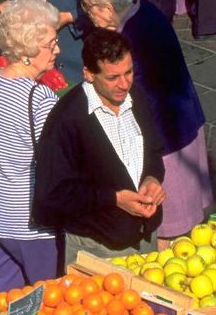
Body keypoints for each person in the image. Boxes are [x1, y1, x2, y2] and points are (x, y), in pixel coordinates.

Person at [81, 0, 210, 238]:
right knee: (191, 212)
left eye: (88, 6)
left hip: (166, 136)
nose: (87, 14)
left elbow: (130, 94)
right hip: (184, 118)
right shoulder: (146, 10)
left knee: (169, 228)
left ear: (105, 8)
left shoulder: (128, 41)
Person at [32, 28, 165, 259]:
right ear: (89, 74)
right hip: (95, 248)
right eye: (113, 77)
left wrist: (153, 178)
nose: (124, 84)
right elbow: (52, 194)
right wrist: (114, 199)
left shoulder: (137, 97)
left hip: (145, 239)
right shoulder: (67, 119)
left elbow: (153, 152)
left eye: (129, 72)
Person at [0, 0, 63, 301]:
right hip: (29, 223)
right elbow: (58, 160)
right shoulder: (39, 100)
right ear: (27, 49)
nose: (57, 51)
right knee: (47, 302)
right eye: (50, 45)